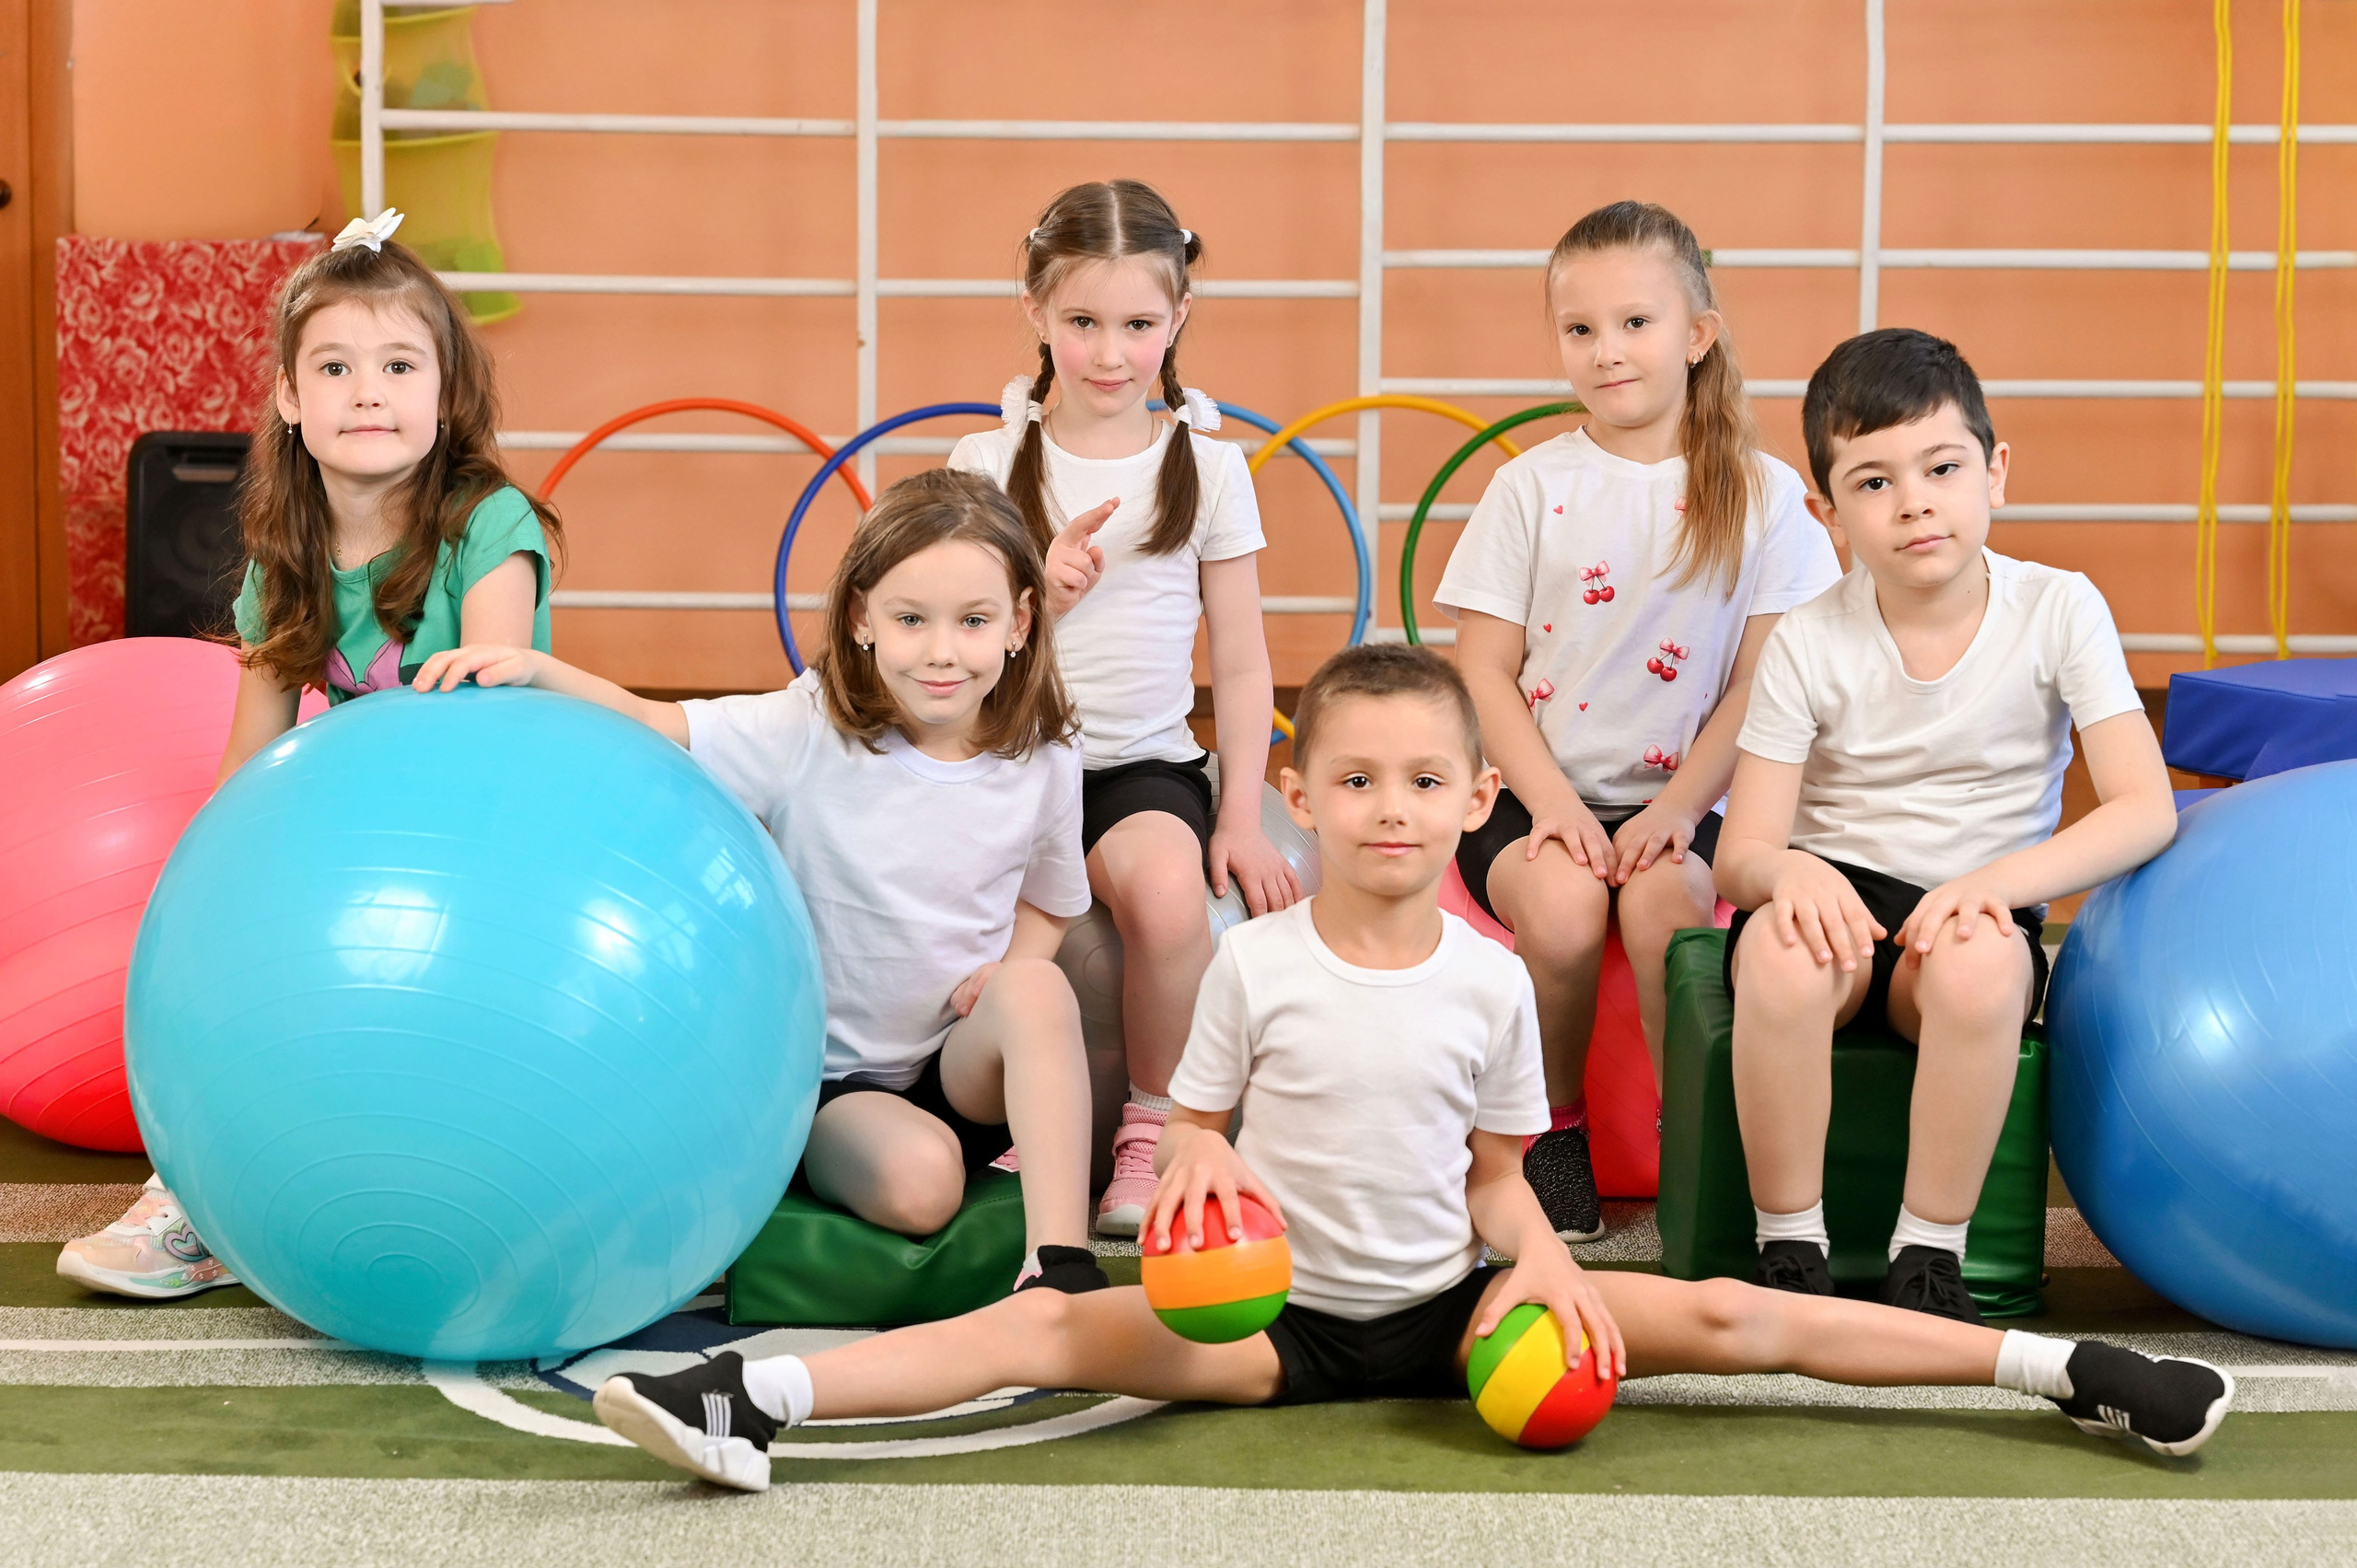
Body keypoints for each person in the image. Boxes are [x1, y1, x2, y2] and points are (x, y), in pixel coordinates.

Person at [586, 644, 2232, 1493]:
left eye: (1422, 781)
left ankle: (2065, 1370)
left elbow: (1505, 1178)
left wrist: (1541, 1271)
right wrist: (1204, 1165)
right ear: (1301, 791)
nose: (1386, 806)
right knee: (1036, 1334)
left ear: (1469, 807)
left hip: (1466, 1308)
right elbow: (1207, 1120)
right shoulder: (1256, 958)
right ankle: (747, 1394)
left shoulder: (1495, 975)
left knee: (1736, 1313)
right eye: (1354, 777)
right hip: (1274, 1325)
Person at [411, 470, 1109, 1295]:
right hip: (832, 1082)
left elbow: (1052, 899)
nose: (942, 651)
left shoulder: (1045, 753)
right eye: (910, 620)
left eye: (975, 621)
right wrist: (533, 665)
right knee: (924, 1188)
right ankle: (796, 1157)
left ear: (1022, 623)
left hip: (956, 1061)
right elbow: (654, 724)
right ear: (861, 619)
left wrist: (1008, 967)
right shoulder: (808, 728)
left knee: (1036, 986)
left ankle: (1059, 1268)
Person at [56, 210, 562, 1301]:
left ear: (445, 394)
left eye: (396, 364)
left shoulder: (490, 521)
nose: (367, 391)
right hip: (356, 833)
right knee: (228, 934)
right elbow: (249, 757)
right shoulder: (282, 557)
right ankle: (196, 1196)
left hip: (494, 830)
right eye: (334, 366)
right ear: (291, 397)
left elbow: (491, 707)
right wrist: (211, 900)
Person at [1714, 328, 2178, 1321]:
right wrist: (1786, 873)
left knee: (1974, 966)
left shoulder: (2058, 607)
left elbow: (2145, 807)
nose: (1914, 500)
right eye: (1872, 482)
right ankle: (1787, 1244)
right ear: (1826, 512)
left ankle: (1928, 1253)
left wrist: (1995, 886)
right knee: (1785, 959)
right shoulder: (1807, 638)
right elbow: (1745, 846)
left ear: (1995, 471)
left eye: (1941, 466)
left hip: (1975, 907)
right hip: (1835, 896)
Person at [1434, 201, 1842, 1241]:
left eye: (1634, 323)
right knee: (1566, 909)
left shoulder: (1764, 496)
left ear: (1697, 334)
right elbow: (1481, 671)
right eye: (1580, 330)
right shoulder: (1528, 487)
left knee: (1667, 910)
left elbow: (1764, 681)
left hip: (1696, 798)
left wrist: (1676, 806)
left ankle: (1691, 1135)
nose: (1605, 352)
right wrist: (1555, 806)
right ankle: (1552, 1130)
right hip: (1534, 795)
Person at [948, 180, 1297, 1237]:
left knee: (1166, 894)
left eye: (1139, 324)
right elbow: (954, 653)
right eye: (1082, 323)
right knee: (982, 929)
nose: (1110, 352)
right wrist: (1033, 603)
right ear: (1034, 312)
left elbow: (1239, 664)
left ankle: (1159, 1120)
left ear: (1178, 319)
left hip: (1138, 766)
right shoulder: (983, 464)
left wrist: (1235, 811)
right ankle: (1010, 1103)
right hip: (1001, 759)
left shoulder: (1210, 466)